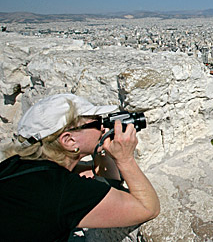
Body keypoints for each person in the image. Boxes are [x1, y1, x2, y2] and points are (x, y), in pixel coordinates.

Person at [0, 93, 160, 242]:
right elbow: (147, 208)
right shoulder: (64, 191)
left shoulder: (15, 165)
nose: (103, 127)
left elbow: (98, 177)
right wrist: (125, 159)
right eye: (96, 123)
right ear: (69, 141)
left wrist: (102, 149)